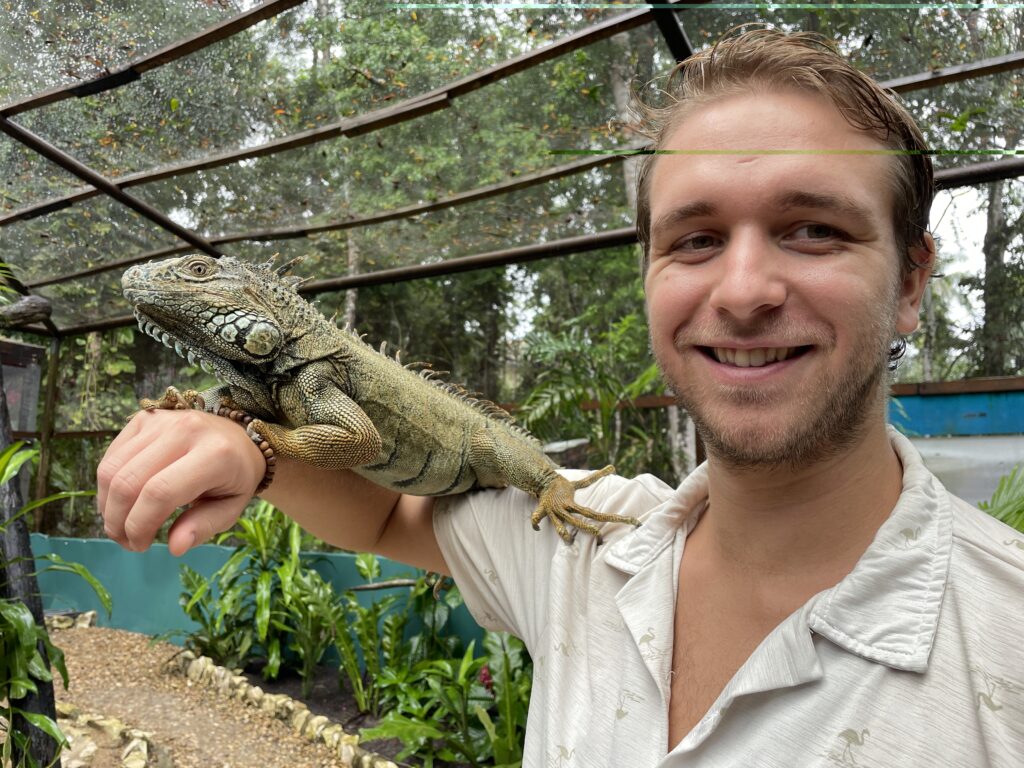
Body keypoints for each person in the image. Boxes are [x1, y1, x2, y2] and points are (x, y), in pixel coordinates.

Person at [98, 29, 1023, 767]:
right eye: (695, 240)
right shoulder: (587, 541)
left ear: (910, 281)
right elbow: (385, 521)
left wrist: (270, 434)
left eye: (813, 229)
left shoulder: (1005, 640)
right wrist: (250, 451)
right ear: (651, 276)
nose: (743, 290)